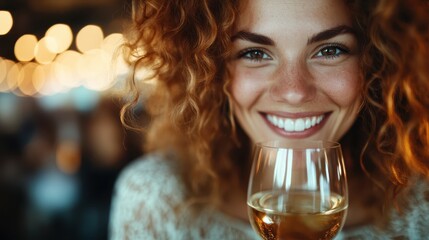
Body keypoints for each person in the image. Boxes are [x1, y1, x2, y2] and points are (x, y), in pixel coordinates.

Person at [109, 0, 429, 239]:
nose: (294, 92)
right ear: (210, 70)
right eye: (255, 54)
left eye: (330, 50)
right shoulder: (154, 201)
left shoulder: (422, 205)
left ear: (379, 63)